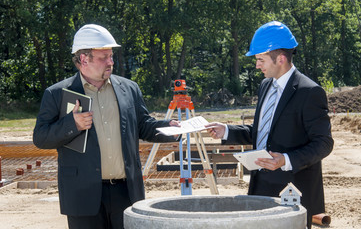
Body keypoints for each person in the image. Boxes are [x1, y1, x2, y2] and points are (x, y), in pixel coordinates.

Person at [33, 24, 179, 229]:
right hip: (81, 195)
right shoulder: (57, 93)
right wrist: (71, 124)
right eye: (104, 57)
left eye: (111, 56)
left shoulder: (129, 89)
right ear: (84, 59)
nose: (111, 62)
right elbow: (40, 137)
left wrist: (171, 129)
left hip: (126, 192)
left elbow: (144, 126)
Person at [206, 21, 333, 229]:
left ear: (280, 58)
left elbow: (324, 143)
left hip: (292, 192)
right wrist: (226, 130)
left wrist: (286, 160)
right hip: (260, 187)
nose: (257, 65)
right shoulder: (265, 85)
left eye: (260, 59)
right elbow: (262, 132)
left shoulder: (309, 92)